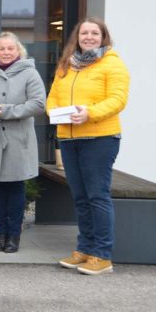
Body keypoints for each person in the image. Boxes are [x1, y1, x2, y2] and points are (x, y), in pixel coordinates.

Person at [47, 17, 129, 275]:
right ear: (77, 37)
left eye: (95, 33)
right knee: (81, 198)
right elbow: (53, 98)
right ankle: (84, 249)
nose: (89, 37)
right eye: (85, 33)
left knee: (97, 197)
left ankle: (102, 255)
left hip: (99, 139)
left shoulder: (112, 63)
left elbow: (118, 99)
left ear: (103, 36)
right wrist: (55, 113)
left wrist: (89, 113)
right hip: (70, 139)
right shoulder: (67, 65)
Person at [0, 32, 46, 253]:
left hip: (17, 139)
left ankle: (14, 236)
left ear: (18, 51)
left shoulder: (29, 74)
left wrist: (7, 111)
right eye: (2, 48)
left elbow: (38, 104)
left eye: (10, 49)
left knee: (15, 189)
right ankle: (0, 234)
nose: (6, 52)